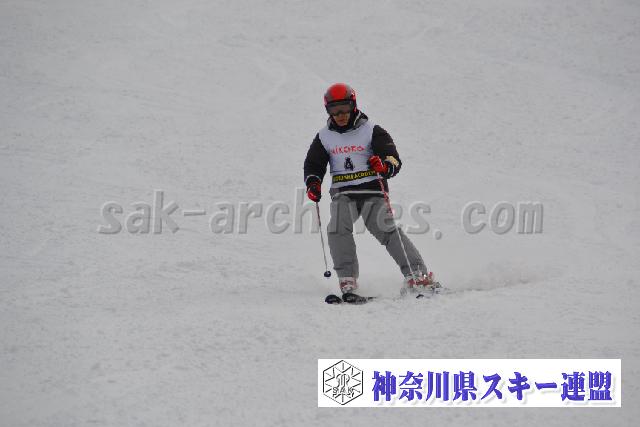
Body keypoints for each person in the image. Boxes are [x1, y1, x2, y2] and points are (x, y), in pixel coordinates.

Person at [303, 83, 436, 295]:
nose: (340, 115)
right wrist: (313, 183)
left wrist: (384, 166)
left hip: (372, 191)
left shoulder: (371, 130)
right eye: (334, 110)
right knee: (337, 228)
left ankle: (417, 274)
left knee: (386, 229)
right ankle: (347, 279)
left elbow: (392, 158)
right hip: (343, 193)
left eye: (344, 108)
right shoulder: (324, 137)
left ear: (353, 105)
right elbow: (313, 164)